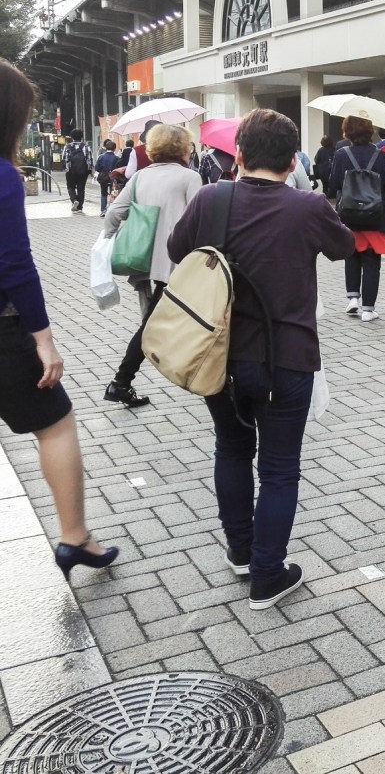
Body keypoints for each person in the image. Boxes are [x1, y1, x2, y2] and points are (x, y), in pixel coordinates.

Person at [168, 108, 355, 610]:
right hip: (285, 361)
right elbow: (345, 248)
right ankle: (268, 576)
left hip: (218, 356)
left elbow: (176, 248)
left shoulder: (212, 197)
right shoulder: (309, 206)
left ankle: (241, 551)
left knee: (230, 449)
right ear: (293, 159)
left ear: (241, 155)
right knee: (278, 469)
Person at [0, 61, 119, 580]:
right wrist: (43, 340)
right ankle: (75, 537)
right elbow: (15, 265)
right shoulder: (3, 178)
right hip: (3, 335)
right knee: (55, 423)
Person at [102, 124, 202, 408]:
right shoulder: (189, 178)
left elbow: (113, 215)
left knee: (154, 324)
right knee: (154, 327)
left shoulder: (141, 177)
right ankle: (120, 382)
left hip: (148, 265)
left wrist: (108, 243)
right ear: (184, 148)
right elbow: (200, 221)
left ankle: (122, 383)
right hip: (181, 265)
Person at [328, 116, 385, 322]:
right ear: (370, 131)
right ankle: (368, 310)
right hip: (375, 217)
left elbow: (333, 183)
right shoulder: (381, 156)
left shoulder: (341, 154)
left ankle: (352, 299)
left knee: (351, 255)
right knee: (371, 261)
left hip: (349, 216)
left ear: (346, 132)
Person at [62, 128, 92, 213]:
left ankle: (74, 200)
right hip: (83, 171)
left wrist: (66, 168)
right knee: (81, 188)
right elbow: (89, 160)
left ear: (72, 137)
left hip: (71, 171)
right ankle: (80, 208)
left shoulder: (67, 146)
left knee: (70, 187)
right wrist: (89, 170)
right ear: (81, 137)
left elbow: (64, 159)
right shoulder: (86, 147)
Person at [94, 138, 119, 216]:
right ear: (114, 149)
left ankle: (103, 210)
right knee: (114, 193)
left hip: (103, 177)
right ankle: (112, 210)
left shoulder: (101, 157)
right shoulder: (116, 158)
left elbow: (97, 168)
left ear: (106, 147)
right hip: (113, 177)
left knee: (103, 193)